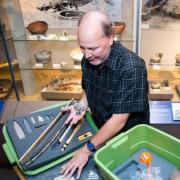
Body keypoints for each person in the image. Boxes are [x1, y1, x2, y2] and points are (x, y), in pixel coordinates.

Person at [60, 10, 150, 179]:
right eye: (82, 47)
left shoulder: (131, 66)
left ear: (110, 38)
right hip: (99, 133)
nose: (86, 54)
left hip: (127, 140)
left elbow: (119, 120)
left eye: (93, 48)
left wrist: (86, 150)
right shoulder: (89, 58)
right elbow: (88, 88)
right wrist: (80, 107)